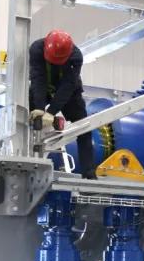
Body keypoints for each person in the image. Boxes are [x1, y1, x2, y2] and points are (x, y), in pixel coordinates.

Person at [29, 30, 96, 179]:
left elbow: (68, 85)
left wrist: (51, 112)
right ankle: (27, 162)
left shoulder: (76, 56)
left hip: (69, 93)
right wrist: (39, 108)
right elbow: (38, 78)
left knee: (84, 128)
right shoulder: (36, 49)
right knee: (27, 116)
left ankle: (89, 174)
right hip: (43, 89)